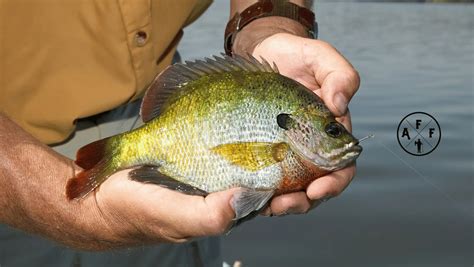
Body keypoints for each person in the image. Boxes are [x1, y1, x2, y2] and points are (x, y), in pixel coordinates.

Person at [0, 0, 360, 266]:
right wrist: (80, 212)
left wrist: (269, 25)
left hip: (157, 108)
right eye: (330, 131)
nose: (338, 137)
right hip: (16, 148)